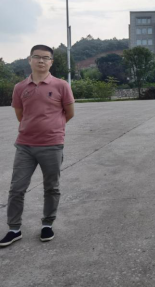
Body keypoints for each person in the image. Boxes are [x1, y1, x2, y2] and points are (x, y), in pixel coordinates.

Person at [0, 45, 75, 248]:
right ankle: (14, 229)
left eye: (45, 58)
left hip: (52, 145)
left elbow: (69, 113)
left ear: (51, 62)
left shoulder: (61, 85)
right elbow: (20, 114)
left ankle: (47, 224)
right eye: (37, 57)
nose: (41, 61)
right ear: (29, 60)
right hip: (25, 145)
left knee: (51, 187)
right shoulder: (20, 87)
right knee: (16, 188)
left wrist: (53, 128)